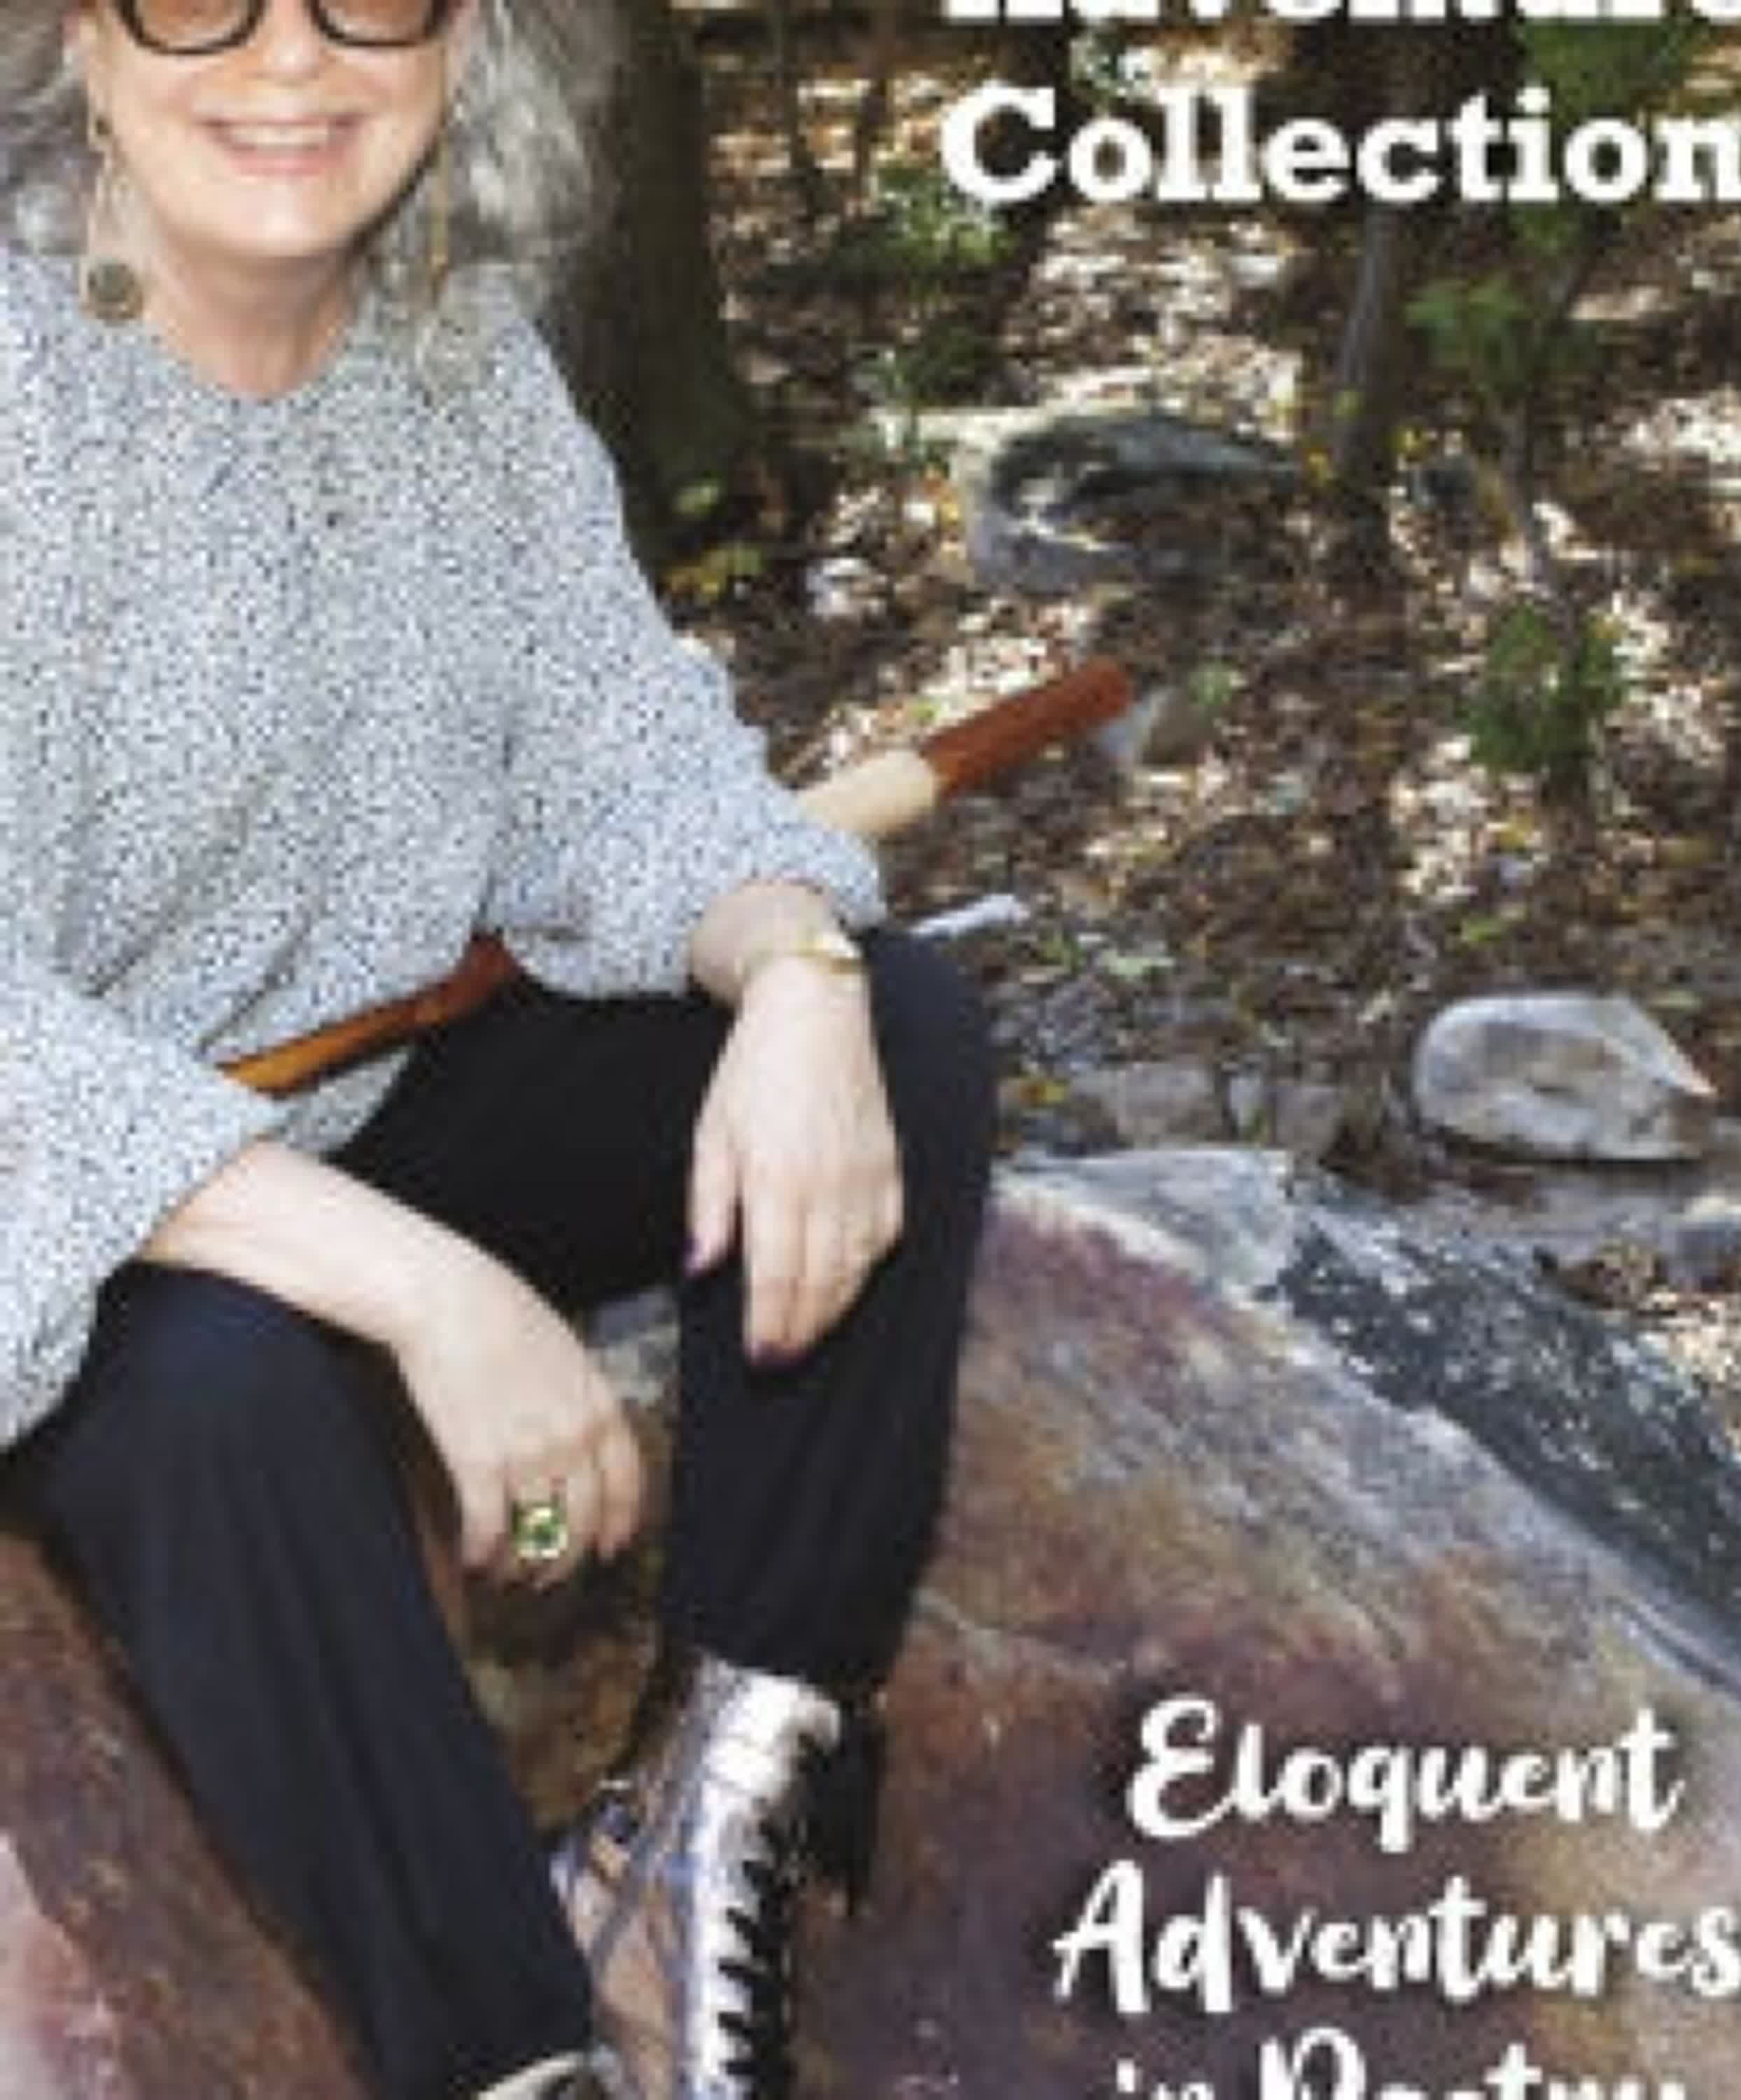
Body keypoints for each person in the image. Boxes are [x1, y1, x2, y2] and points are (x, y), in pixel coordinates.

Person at [0, 4, 995, 2097]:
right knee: (218, 1383)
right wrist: (432, 1296)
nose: (289, 58)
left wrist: (796, 974)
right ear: (77, 37)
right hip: (57, 1210)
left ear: (468, 43)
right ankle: (507, 2052)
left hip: (342, 1106)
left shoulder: (452, 362)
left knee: (899, 1026)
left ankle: (702, 1835)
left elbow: (629, 775)